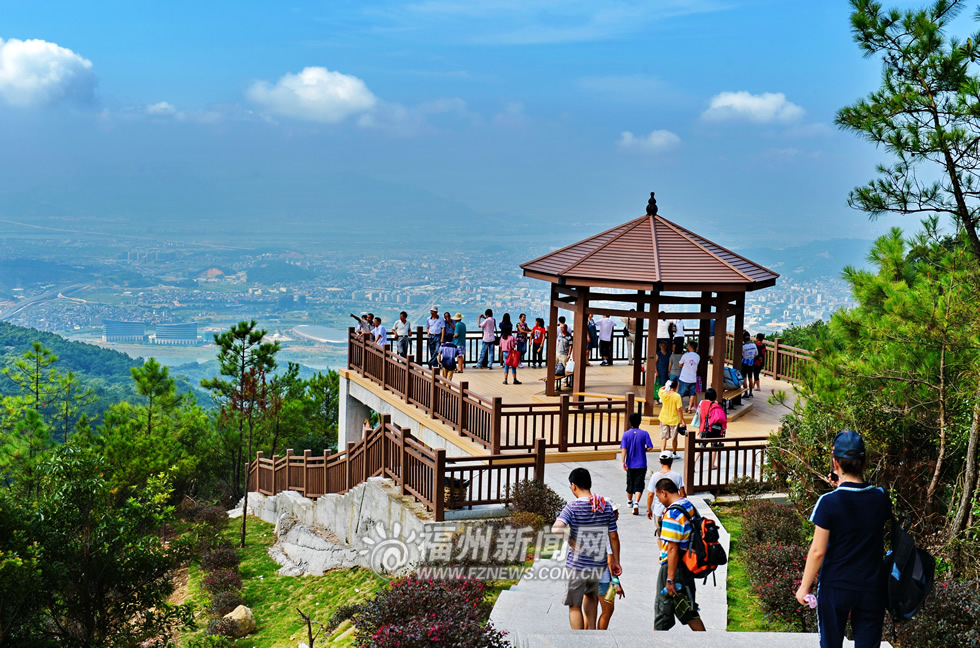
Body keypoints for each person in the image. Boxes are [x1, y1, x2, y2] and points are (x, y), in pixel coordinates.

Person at [795, 431, 891, 648]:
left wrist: (804, 587)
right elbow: (860, 509)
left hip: (835, 587)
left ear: (835, 463)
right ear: (865, 462)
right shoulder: (880, 498)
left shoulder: (828, 502)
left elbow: (818, 551)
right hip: (871, 587)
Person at [552, 467, 621, 631]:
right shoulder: (605, 507)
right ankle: (590, 634)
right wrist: (616, 561)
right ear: (589, 483)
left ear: (574, 486)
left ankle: (579, 641)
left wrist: (570, 541)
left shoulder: (572, 508)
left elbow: (556, 529)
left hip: (577, 566)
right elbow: (613, 537)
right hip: (599, 566)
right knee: (590, 595)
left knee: (575, 605)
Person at [653, 477, 706, 632]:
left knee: (662, 613)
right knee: (688, 610)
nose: (659, 501)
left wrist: (669, 579)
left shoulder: (672, 513)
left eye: (658, 497)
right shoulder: (688, 505)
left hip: (673, 567)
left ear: (663, 493)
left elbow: (672, 548)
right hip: (687, 564)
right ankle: (707, 643)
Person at [594, 512, 626, 630]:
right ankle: (600, 637)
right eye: (616, 512)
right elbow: (609, 561)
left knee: (590, 613)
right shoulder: (609, 535)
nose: (618, 514)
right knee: (608, 611)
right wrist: (616, 584)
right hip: (605, 580)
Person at [620, 412, 653, 516]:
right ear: (640, 422)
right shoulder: (645, 433)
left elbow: (624, 449)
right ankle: (636, 503)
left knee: (630, 482)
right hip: (641, 463)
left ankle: (629, 501)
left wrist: (623, 461)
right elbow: (650, 447)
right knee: (639, 484)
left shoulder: (626, 434)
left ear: (630, 422)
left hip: (630, 463)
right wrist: (644, 450)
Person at [646, 452, 686, 536]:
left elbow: (650, 495)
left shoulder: (655, 476)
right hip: (673, 511)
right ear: (671, 461)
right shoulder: (677, 476)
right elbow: (683, 495)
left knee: (660, 537)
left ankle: (662, 549)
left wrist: (649, 509)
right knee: (673, 535)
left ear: (660, 462)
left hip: (659, 511)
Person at [696, 387, 727, 470]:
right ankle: (712, 464)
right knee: (714, 447)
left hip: (703, 428)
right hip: (715, 429)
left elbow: (698, 413)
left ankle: (693, 463)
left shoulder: (701, 403)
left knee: (701, 447)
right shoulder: (716, 405)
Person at [658, 380, 684, 456]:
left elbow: (661, 389)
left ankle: (662, 452)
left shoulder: (663, 393)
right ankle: (674, 452)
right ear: (676, 387)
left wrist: (666, 387)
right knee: (674, 437)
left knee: (664, 437)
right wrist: (682, 420)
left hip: (664, 417)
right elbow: (679, 409)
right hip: (674, 419)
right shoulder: (677, 396)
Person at [678, 341, 701, 413]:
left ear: (690, 347)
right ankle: (689, 408)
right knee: (692, 394)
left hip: (684, 377)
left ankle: (678, 407)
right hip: (693, 378)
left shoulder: (685, 355)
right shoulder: (697, 356)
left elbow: (680, 364)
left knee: (680, 393)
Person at [741, 331, 758, 397]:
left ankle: (746, 393)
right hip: (751, 363)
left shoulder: (743, 347)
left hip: (744, 363)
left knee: (744, 378)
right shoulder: (754, 345)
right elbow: (756, 354)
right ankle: (751, 392)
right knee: (750, 378)